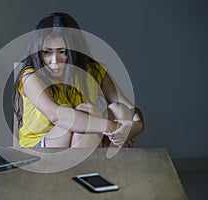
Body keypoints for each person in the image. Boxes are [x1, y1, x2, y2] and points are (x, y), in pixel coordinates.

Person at [13, 12, 144, 148]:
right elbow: (56, 115)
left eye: (62, 52)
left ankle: (83, 167)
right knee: (78, 118)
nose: (54, 61)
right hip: (42, 150)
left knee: (119, 110)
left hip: (83, 143)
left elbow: (129, 108)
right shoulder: (30, 76)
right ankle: (87, 166)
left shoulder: (92, 71)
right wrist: (112, 127)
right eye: (47, 52)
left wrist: (136, 127)